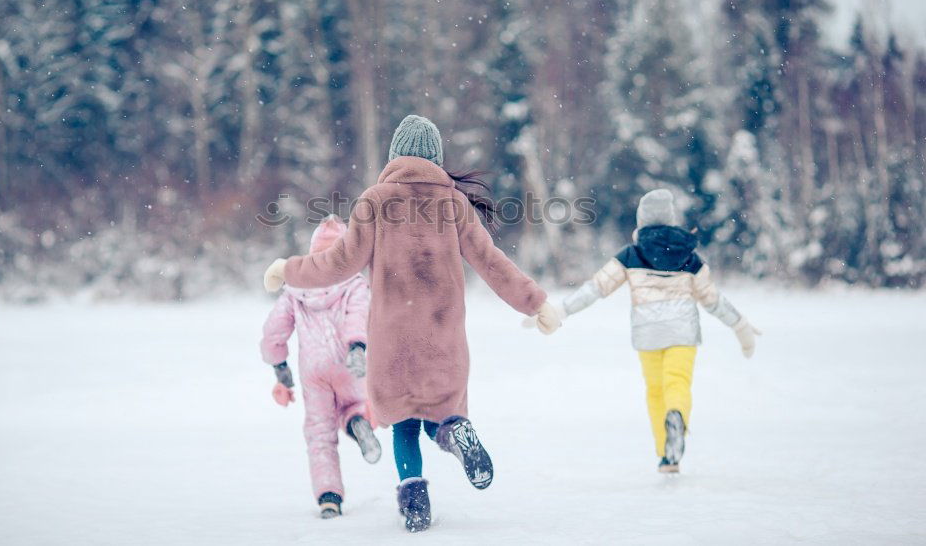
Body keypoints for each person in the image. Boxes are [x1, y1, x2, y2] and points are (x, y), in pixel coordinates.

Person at [264, 115, 561, 532]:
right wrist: (535, 302)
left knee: (403, 422)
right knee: (442, 410)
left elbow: (337, 263)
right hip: (443, 336)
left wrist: (288, 270)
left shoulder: (374, 201)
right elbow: (491, 263)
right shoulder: (454, 204)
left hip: (392, 337)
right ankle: (455, 432)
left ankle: (414, 499)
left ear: (393, 156)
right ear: (436, 158)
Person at [556, 188, 761, 473]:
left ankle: (666, 454)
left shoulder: (631, 254)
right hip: (683, 333)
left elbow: (596, 288)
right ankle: (677, 418)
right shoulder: (689, 257)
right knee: (677, 383)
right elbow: (713, 300)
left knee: (655, 391)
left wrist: (561, 310)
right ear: (670, 218)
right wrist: (739, 324)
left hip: (647, 333)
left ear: (641, 221)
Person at [260, 216, 381, 519]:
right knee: (354, 404)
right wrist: (357, 345)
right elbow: (358, 313)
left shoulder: (295, 289)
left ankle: (329, 498)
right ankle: (356, 423)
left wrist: (280, 367)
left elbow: (274, 330)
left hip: (312, 370)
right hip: (346, 361)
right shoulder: (353, 283)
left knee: (319, 433)